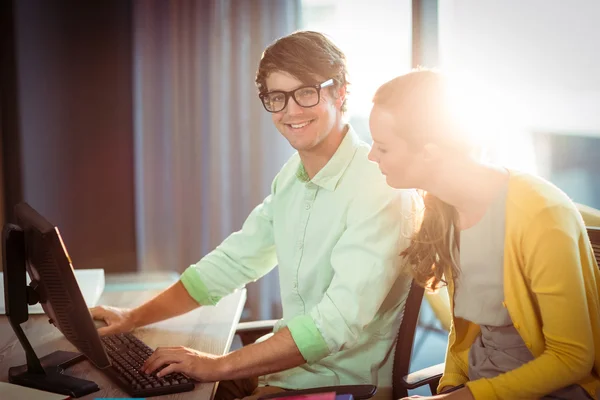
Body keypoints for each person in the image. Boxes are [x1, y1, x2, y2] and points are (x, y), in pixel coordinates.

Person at [91, 31, 418, 400]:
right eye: (277, 97)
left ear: (339, 91)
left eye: (306, 92)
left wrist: (218, 364)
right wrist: (132, 317)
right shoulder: (293, 178)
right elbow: (232, 263)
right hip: (286, 373)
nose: (290, 111)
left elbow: (335, 324)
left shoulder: (379, 185)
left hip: (338, 386)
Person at [367, 68, 600, 400]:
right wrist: (448, 388)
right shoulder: (443, 208)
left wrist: (457, 398)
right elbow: (463, 333)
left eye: (383, 147)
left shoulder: (541, 214)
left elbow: (573, 359)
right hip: (479, 386)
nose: (371, 155)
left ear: (429, 152)